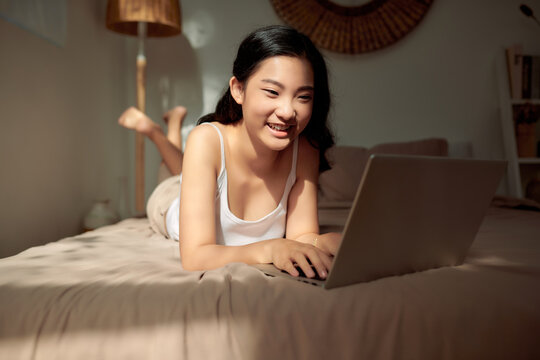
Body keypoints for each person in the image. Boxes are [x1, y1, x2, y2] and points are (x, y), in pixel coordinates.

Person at [118, 25, 341, 279]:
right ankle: (158, 132)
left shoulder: (305, 148)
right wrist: (270, 248)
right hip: (168, 203)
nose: (288, 111)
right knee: (171, 178)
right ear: (238, 89)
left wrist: (325, 242)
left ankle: (171, 126)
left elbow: (301, 237)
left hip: (204, 172)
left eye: (303, 97)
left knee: (186, 170)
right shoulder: (206, 138)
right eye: (272, 92)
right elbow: (195, 257)